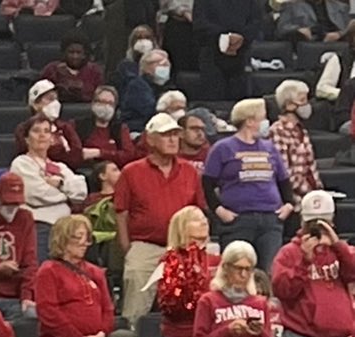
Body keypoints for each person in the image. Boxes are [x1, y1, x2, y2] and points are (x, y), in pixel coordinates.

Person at [113, 112, 205, 323]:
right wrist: (128, 247)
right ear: (150, 139)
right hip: (145, 246)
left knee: (189, 307)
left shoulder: (190, 171)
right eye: (166, 135)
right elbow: (121, 212)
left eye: (175, 134)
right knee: (135, 304)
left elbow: (197, 210)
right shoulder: (131, 172)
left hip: (183, 248)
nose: (173, 140)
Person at [271, 193, 355, 337]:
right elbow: (283, 290)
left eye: (324, 222)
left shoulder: (339, 251)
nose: (319, 229)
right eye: (313, 223)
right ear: (302, 222)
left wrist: (337, 244)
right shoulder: (289, 252)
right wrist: (305, 260)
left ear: (332, 221)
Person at [202, 100, 294, 280]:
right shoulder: (223, 148)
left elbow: (283, 180)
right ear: (250, 121)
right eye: (262, 118)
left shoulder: (269, 148)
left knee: (269, 274)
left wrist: (288, 205)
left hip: (270, 219)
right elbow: (207, 183)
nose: (265, 122)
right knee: (236, 273)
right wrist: (220, 211)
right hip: (238, 221)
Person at [35, 213, 116, 337]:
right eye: (77, 237)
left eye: (86, 237)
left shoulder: (96, 272)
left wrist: (101, 336)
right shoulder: (48, 271)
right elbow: (49, 313)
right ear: (62, 239)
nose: (83, 242)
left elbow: (108, 309)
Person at [191, 242, 278, 337]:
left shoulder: (260, 303)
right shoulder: (209, 301)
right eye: (239, 268)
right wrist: (228, 331)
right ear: (225, 268)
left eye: (248, 269)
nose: (243, 275)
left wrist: (258, 334)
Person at [154, 206, 211, 337]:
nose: (204, 222)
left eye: (204, 218)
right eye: (196, 220)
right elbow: (170, 305)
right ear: (181, 228)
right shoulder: (170, 261)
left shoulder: (216, 261)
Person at [10, 118, 86, 228]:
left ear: (51, 139)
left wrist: (61, 184)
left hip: (64, 227)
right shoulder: (21, 163)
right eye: (36, 131)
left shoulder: (60, 166)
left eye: (46, 131)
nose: (42, 135)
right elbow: (35, 195)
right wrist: (68, 196)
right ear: (26, 138)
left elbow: (80, 192)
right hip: (38, 225)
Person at [196, 0, 268, 101]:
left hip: (241, 55)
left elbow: (256, 21)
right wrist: (223, 37)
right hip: (211, 54)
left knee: (240, 98)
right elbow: (199, 23)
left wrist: (242, 37)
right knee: (213, 96)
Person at [0, 172, 37, 314]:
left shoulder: (25, 217)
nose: (12, 208)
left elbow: (30, 262)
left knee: (33, 315)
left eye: (16, 203)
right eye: (8, 203)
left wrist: (27, 296)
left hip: (16, 296)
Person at [13, 81, 86, 174]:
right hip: (36, 173)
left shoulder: (65, 127)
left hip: (66, 173)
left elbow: (77, 157)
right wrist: (61, 152)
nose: (55, 103)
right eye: (50, 99)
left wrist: (54, 152)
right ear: (36, 105)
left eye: (57, 99)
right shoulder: (24, 129)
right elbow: (31, 154)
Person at [271, 78, 323, 201]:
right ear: (289, 105)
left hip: (310, 197)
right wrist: (310, 193)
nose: (307, 105)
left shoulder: (301, 131)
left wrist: (319, 191)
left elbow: (311, 167)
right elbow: (284, 173)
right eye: (302, 100)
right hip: (294, 200)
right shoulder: (278, 131)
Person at [73, 85, 136, 171]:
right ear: (93, 103)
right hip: (86, 170)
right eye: (102, 102)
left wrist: (99, 153)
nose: (106, 106)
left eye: (110, 103)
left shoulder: (120, 128)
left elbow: (129, 155)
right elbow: (73, 153)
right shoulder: (78, 125)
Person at [120, 46, 172, 134]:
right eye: (160, 64)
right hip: (138, 130)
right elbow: (150, 110)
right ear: (146, 67)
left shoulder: (166, 87)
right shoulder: (137, 85)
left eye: (166, 65)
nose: (165, 68)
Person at [44, 36, 105, 105]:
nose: (75, 56)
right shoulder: (51, 69)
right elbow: (43, 96)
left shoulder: (95, 71)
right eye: (71, 52)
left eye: (78, 53)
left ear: (84, 54)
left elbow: (100, 97)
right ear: (64, 53)